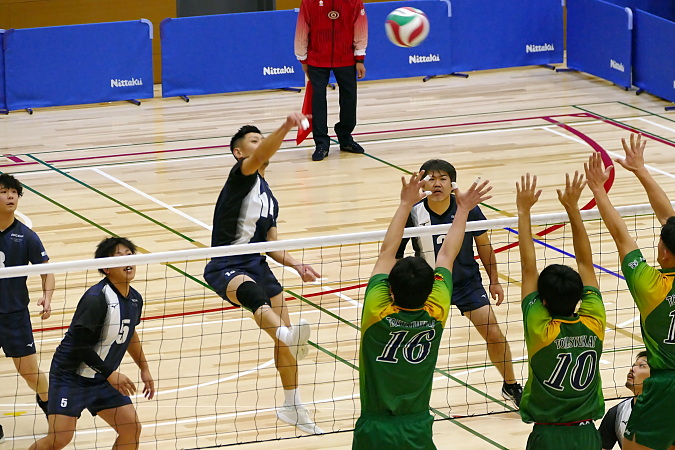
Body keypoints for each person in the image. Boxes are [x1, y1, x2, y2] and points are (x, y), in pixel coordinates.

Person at [352, 171, 492, 449]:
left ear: (390, 290)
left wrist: (405, 204)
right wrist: (463, 209)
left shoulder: (377, 310)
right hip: (417, 428)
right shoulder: (436, 311)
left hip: (374, 429)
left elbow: (387, 253)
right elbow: (447, 255)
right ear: (430, 290)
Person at [203, 113, 324, 435]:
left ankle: (292, 406)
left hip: (258, 264)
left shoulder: (269, 197)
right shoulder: (240, 177)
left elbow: (271, 243)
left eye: (262, 139)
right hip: (226, 263)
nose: (260, 145)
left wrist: (296, 264)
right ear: (239, 153)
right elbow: (259, 156)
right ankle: (286, 335)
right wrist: (286, 127)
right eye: (254, 141)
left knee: (285, 340)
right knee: (256, 298)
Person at [396, 159, 523, 405]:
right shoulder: (413, 212)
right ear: (422, 183)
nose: (437, 184)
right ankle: (408, 393)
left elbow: (484, 246)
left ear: (452, 183)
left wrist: (494, 281)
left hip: (466, 283)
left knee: (494, 333)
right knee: (416, 342)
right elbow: (397, 253)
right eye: (431, 179)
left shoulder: (468, 209)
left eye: (443, 179)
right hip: (428, 288)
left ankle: (511, 386)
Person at [585, 134, 675, 450]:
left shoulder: (649, 284)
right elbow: (670, 220)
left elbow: (621, 235)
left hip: (664, 387)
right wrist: (641, 170)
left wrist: (598, 190)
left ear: (664, 251)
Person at [30, 237, 154, 450]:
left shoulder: (135, 299)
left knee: (131, 429)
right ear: (106, 268)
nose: (127, 260)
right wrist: (110, 374)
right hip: (71, 377)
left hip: (101, 378)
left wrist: (144, 368)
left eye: (129, 254)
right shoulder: (96, 299)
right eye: (119, 256)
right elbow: (79, 344)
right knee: (59, 439)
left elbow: (129, 332)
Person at [516, 171, 605, 449]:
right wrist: (573, 208)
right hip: (588, 435)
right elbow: (586, 263)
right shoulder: (594, 321)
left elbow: (528, 268)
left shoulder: (540, 328)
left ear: (542, 301)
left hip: (549, 436)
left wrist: (523, 211)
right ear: (580, 297)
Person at [0, 173, 53, 419]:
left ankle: (50, 405)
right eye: (3, 192)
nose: (10, 196)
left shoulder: (26, 236)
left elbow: (47, 271)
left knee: (30, 373)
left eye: (14, 192)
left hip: (15, 316)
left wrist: (47, 296)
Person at [294, 0, 368, 161]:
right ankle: (321, 143)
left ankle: (345, 138)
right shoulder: (309, 2)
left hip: (346, 58)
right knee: (318, 99)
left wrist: (360, 58)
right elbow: (302, 30)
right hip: (316, 59)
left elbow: (360, 29)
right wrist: (303, 58)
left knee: (349, 97)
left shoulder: (354, 2)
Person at [599, 352, 650, 449]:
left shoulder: (669, 411)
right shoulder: (617, 413)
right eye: (634, 364)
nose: (632, 368)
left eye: (641, 365)